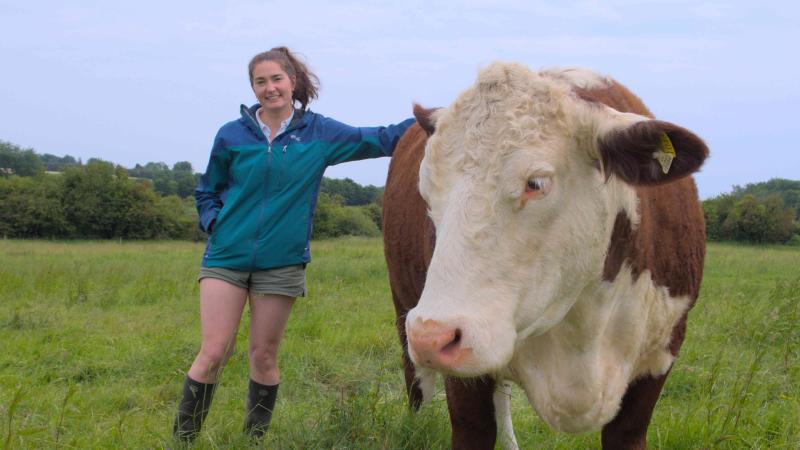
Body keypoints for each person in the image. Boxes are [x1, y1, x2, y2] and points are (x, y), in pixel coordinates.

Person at [173, 47, 415, 442]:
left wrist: (442, 115)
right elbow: (207, 190)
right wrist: (215, 223)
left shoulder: (320, 133)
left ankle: (252, 440)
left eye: (276, 79)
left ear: (293, 82)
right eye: (260, 82)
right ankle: (182, 440)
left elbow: (382, 138)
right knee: (214, 351)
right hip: (226, 257)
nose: (270, 89)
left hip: (281, 264)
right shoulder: (231, 135)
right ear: (252, 87)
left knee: (264, 357)